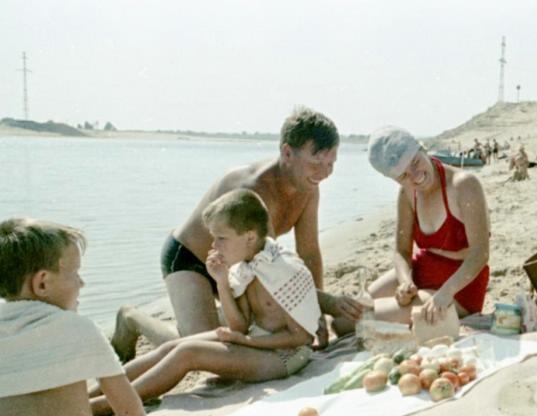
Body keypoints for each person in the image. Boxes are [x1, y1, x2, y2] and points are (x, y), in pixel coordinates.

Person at [118, 107, 360, 355]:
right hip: (193, 258)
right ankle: (131, 318)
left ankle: (206, 315)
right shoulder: (253, 189)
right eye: (316, 161)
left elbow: (308, 252)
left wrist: (314, 314)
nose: (324, 172)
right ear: (287, 153)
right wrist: (329, 303)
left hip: (238, 267)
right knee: (202, 346)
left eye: (331, 163)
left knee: (251, 329)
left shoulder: (309, 186)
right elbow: (270, 267)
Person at [92, 190, 320, 416]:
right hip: (254, 340)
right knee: (170, 347)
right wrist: (222, 282)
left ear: (250, 237)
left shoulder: (285, 271)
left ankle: (105, 405)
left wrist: (245, 340)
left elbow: (302, 337)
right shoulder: (243, 269)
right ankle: (91, 395)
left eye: (221, 238)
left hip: (286, 356)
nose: (214, 246)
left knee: (188, 353)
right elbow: (239, 326)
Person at [0, 218, 158, 416]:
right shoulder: (78, 329)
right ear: (42, 283)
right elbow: (130, 410)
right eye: (75, 273)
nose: (82, 282)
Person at [360, 126, 490, 326]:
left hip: (460, 283)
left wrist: (445, 293)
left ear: (423, 148)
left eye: (415, 162)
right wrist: (405, 281)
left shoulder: (464, 185)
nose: (414, 176)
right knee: (347, 316)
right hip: (421, 269)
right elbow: (402, 251)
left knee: (362, 318)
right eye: (403, 176)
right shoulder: (407, 194)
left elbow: (480, 253)